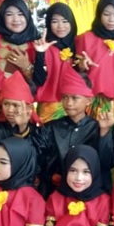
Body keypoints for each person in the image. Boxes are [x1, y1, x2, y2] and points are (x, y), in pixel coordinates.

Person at [32, 66, 98, 199]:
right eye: (65, 97)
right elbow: (35, 156)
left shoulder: (97, 129)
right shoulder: (50, 128)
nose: (68, 103)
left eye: (75, 98)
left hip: (85, 193)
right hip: (50, 193)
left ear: (89, 100)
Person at [0, 0, 41, 121]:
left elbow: (39, 82)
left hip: (23, 109)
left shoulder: (36, 44)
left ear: (27, 16)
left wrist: (26, 67)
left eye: (20, 13)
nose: (16, 19)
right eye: (9, 14)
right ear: (2, 17)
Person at [75, 0, 114, 121]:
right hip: (91, 100)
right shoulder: (86, 38)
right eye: (106, 14)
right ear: (99, 14)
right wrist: (81, 66)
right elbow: (75, 71)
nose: (111, 20)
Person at [33, 2, 78, 123]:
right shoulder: (44, 46)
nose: (60, 26)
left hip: (75, 106)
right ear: (48, 24)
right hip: (49, 107)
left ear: (72, 22)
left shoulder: (79, 44)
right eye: (54, 21)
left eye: (65, 21)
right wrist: (40, 54)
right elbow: (38, 80)